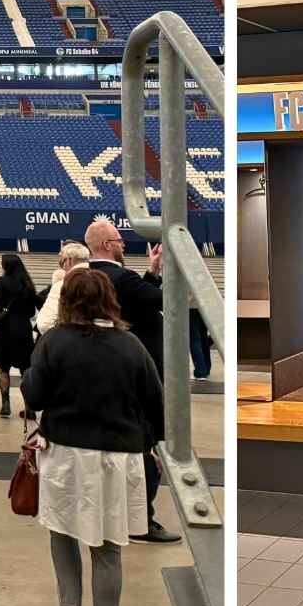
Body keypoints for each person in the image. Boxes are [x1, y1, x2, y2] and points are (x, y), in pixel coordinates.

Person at [22, 270, 164, 606]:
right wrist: (149, 444)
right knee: (108, 548)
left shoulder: (54, 342)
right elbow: (156, 403)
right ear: (109, 299)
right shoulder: (131, 345)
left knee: (63, 531)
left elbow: (34, 394)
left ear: (67, 300)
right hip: (119, 456)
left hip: (66, 455)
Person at [83, 220, 178, 545]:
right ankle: (141, 521)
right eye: (120, 241)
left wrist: (151, 271)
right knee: (144, 451)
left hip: (99, 378)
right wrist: (165, 272)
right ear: (108, 245)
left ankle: (110, 515)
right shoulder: (122, 278)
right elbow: (162, 300)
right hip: (136, 376)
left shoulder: (84, 277)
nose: (124, 245)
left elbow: (141, 298)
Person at [0, 253, 40, 419]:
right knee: (25, 369)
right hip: (24, 330)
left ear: (6, 266)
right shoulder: (28, 284)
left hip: (4, 330)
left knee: (3, 367)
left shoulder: (2, 282)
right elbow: (34, 309)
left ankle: (5, 405)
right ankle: (29, 407)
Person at [35, 242, 91, 336]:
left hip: (69, 342)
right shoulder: (102, 281)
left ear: (69, 260)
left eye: (63, 261)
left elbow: (44, 324)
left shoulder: (62, 285)